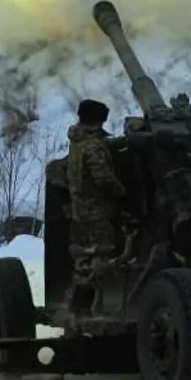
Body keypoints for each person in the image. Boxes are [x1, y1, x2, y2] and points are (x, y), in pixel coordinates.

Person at [65, 99, 126, 313]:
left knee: (86, 257)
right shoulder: (92, 147)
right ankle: (100, 305)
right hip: (97, 211)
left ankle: (78, 304)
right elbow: (103, 179)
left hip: (81, 209)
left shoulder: (77, 141)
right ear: (95, 121)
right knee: (105, 254)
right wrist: (122, 192)